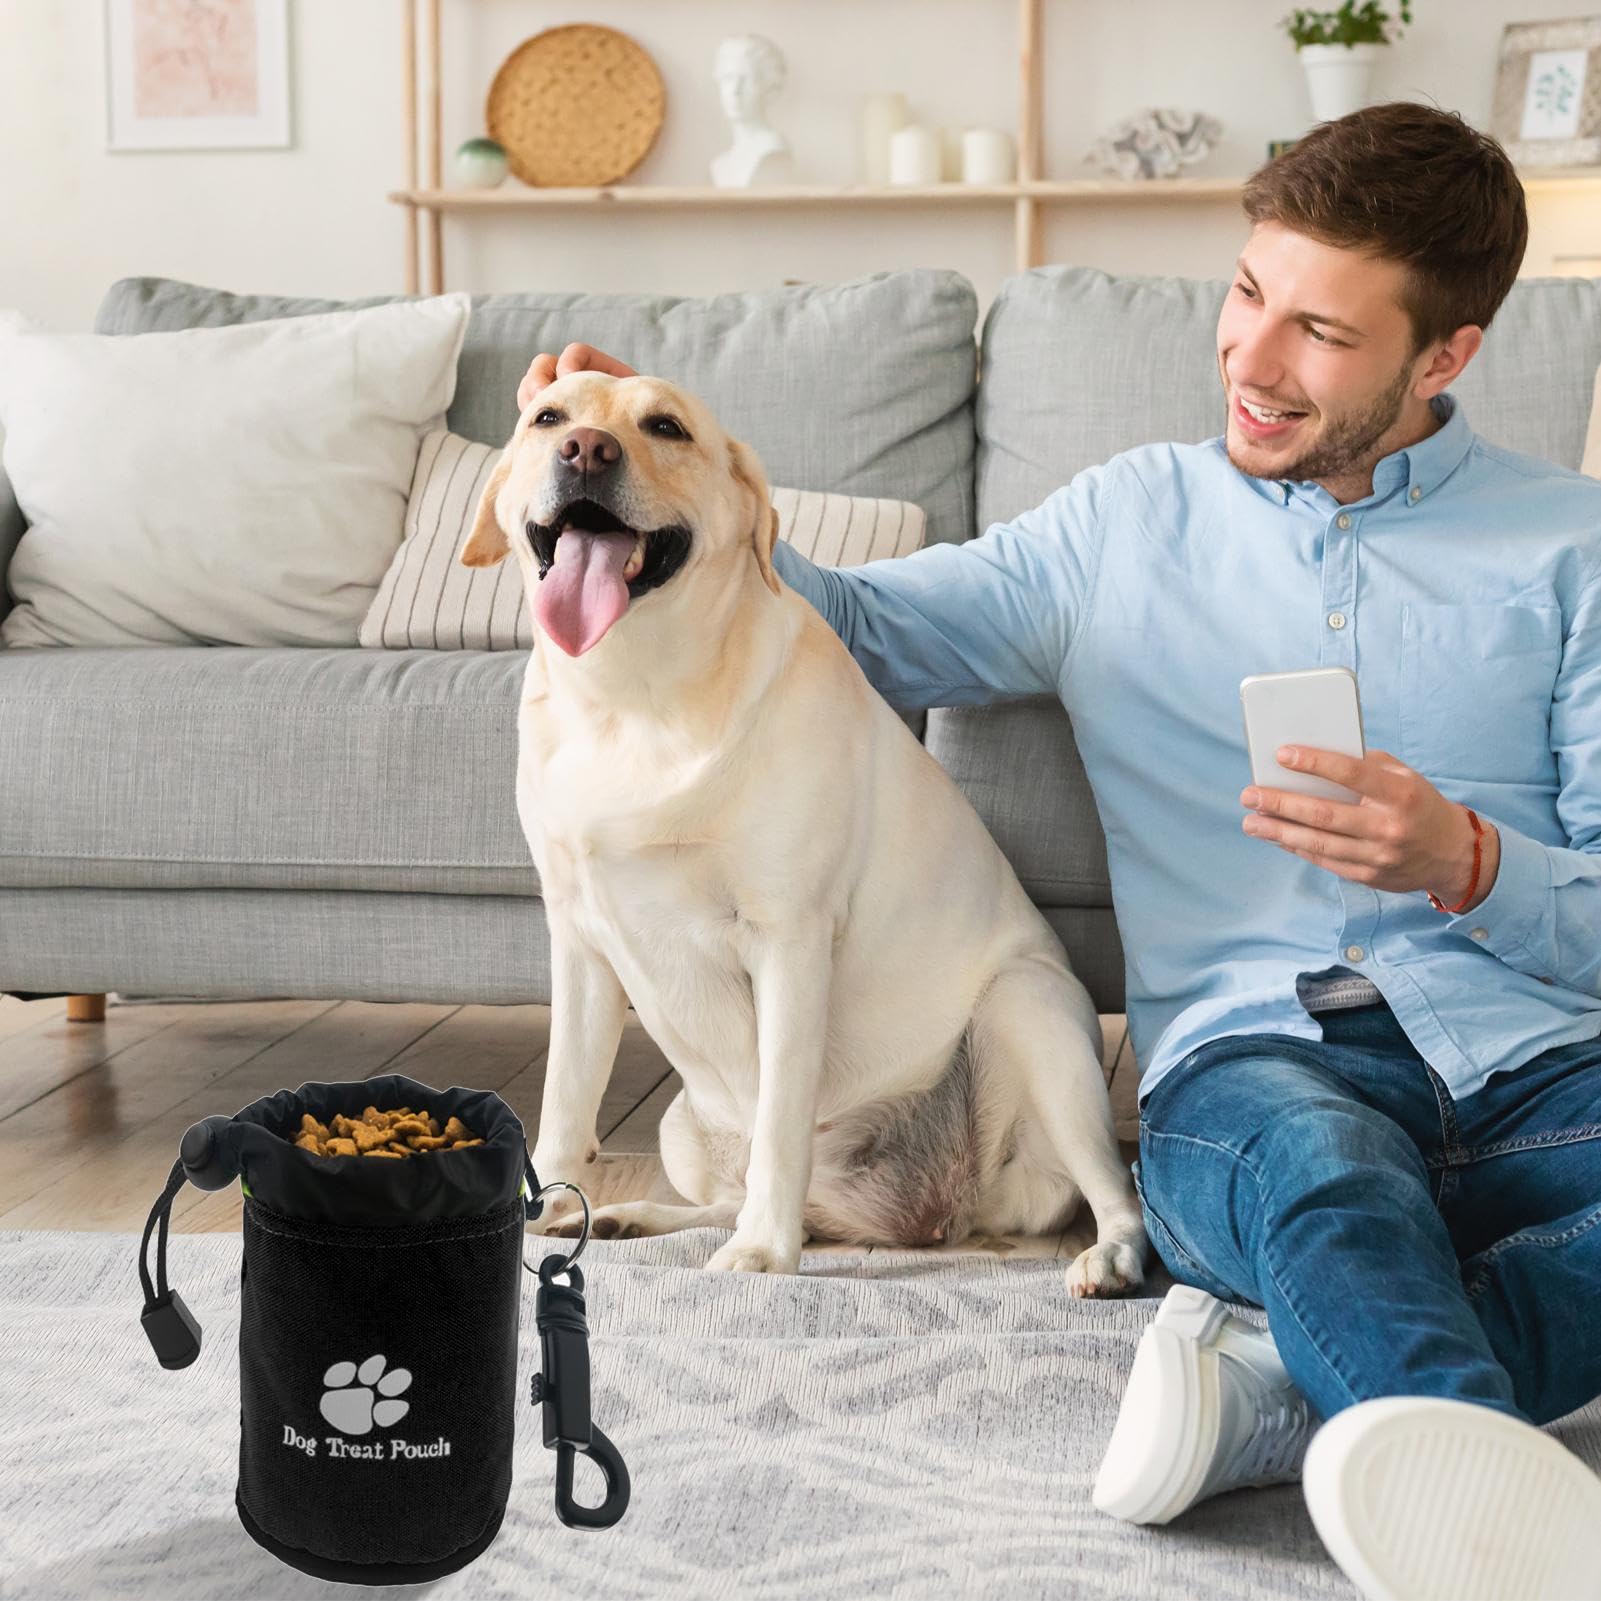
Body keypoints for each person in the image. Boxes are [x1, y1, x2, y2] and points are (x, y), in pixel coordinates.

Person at [516, 102, 1601, 1601]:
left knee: (1364, 1239)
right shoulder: (1119, 525)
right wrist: (621, 486)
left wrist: (1471, 859)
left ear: (1446, 356)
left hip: (1536, 1065)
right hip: (1261, 1064)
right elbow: (842, 617)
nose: (1251, 360)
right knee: (1329, 1184)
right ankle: (1479, 1516)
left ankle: (1274, 1388)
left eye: (1320, 336)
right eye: (1242, 296)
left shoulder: (1571, 549)